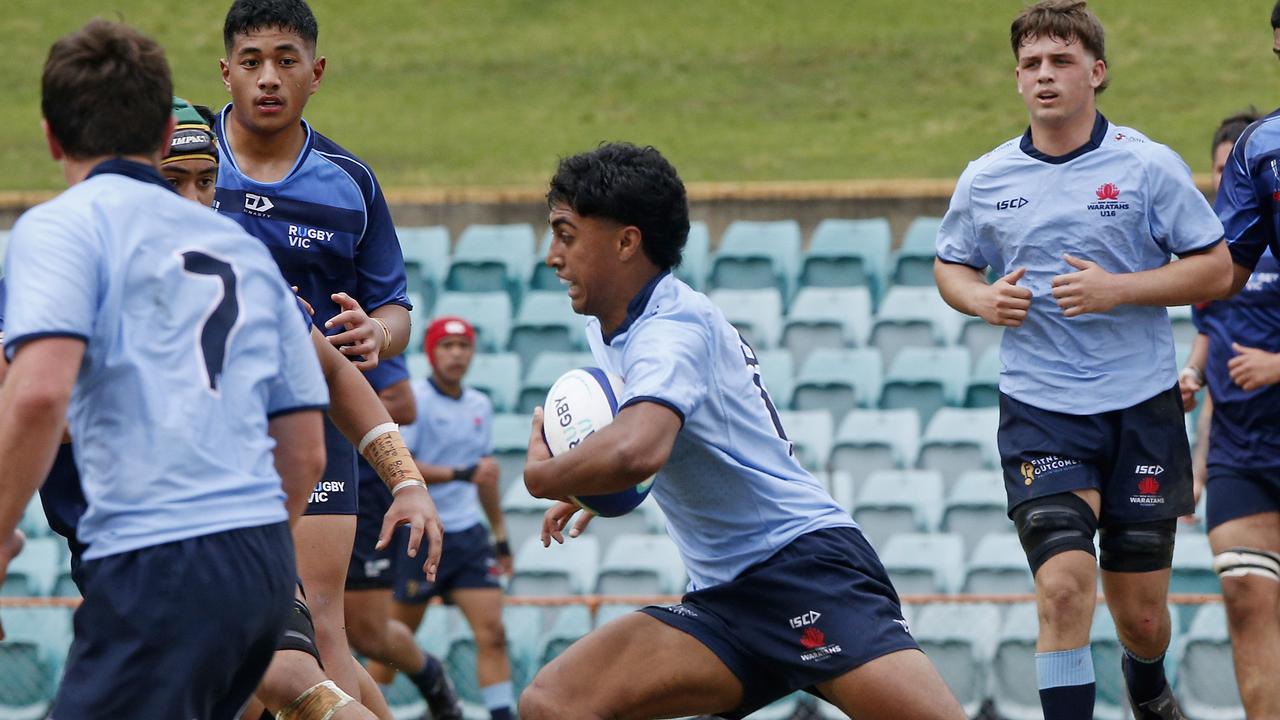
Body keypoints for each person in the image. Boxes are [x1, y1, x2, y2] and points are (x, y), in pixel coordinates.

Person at [515, 142, 964, 720]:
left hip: (802, 570)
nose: (552, 255)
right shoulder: (611, 325)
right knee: (553, 703)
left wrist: (544, 476)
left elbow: (638, 447)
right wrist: (592, 489)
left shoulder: (671, 327)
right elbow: (657, 440)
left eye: (565, 234)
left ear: (627, 242)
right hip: (725, 602)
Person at [0, 19, 329, 718]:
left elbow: (37, 396)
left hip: (159, 563)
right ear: (160, 141)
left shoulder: (61, 228)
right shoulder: (240, 249)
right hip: (264, 569)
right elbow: (304, 449)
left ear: (52, 137)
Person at [933, 2, 1232, 718]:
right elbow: (950, 268)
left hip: (1141, 406)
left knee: (1143, 617)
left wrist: (1118, 290)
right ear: (1016, 79)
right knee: (1065, 586)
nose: (1045, 75)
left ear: (1096, 73)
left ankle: (1146, 677)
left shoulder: (1147, 165)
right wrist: (979, 301)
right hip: (1041, 409)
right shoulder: (986, 177)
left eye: (1061, 61)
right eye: (1032, 64)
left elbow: (1216, 269)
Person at [213, 0, 416, 702]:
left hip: (314, 421)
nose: (268, 78)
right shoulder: (185, 164)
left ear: (316, 72)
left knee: (320, 628)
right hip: (206, 425)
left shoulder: (349, 182)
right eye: (251, 62)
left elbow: (396, 309)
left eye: (285, 60)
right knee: (243, 643)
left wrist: (377, 333)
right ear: (226, 72)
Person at [368, 317, 515, 720]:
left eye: (463, 346)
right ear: (432, 352)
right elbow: (401, 463)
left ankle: (502, 715)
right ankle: (370, 710)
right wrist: (461, 473)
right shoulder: (411, 398)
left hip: (467, 534)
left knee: (494, 634)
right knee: (390, 642)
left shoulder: (480, 405)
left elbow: (484, 476)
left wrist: (500, 534)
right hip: (419, 532)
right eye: (447, 345)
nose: (456, 354)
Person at [344, 353, 467, 720]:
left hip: (364, 497)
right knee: (312, 631)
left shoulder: (362, 329)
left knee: (366, 635)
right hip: (297, 484)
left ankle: (431, 676)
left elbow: (406, 407)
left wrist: (341, 403)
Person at [1179, 109, 1259, 511]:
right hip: (1237, 450)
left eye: (1238, 169)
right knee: (1241, 575)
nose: (1228, 180)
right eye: (1220, 169)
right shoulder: (1210, 253)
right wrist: (1193, 372)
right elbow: (1213, 330)